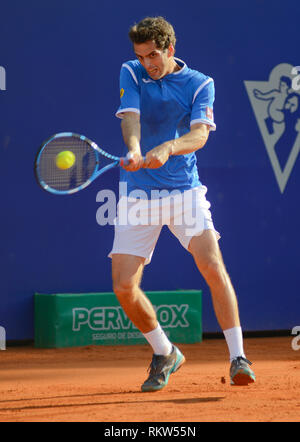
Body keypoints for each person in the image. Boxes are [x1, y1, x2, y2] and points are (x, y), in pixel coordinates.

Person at [109, 16, 256, 391]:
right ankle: (165, 351)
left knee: (211, 264)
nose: (148, 64)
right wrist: (135, 148)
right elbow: (131, 118)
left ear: (170, 49)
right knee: (124, 287)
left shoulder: (199, 83)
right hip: (138, 195)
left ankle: (238, 356)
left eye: (153, 55)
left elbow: (199, 135)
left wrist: (169, 148)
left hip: (184, 193)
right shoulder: (131, 71)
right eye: (142, 57)